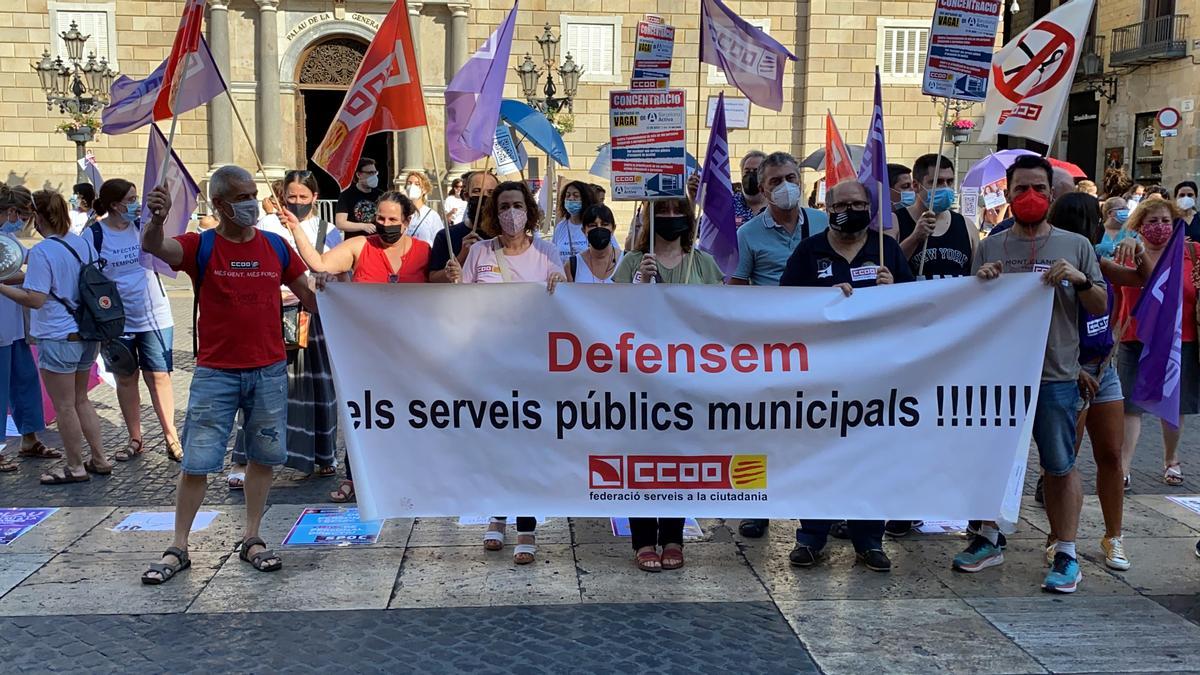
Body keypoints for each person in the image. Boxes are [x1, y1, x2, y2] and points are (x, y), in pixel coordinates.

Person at [139, 166, 315, 585]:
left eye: (253, 194)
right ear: (219, 205)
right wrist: (157, 220)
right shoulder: (201, 246)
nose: (251, 202)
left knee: (263, 457)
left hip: (269, 369)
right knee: (198, 463)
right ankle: (179, 545)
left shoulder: (276, 245)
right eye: (241, 196)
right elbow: (155, 247)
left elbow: (310, 293)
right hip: (216, 372)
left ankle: (252, 537)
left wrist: (351, 303)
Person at [959, 155, 1107, 593]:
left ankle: (1066, 552)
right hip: (1000, 378)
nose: (1030, 197)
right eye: (1021, 189)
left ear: (1052, 194)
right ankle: (988, 536)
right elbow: (968, 311)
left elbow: (1099, 305)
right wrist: (982, 285)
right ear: (1006, 195)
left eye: (1039, 189)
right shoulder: (990, 246)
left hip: (1054, 377)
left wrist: (1081, 281)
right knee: (992, 461)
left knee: (1059, 467)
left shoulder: (1075, 244)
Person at [778, 179, 913, 572]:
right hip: (821, 376)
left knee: (869, 457)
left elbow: (915, 308)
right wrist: (821, 300)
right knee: (818, 456)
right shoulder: (809, 251)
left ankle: (869, 540)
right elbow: (783, 305)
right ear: (829, 205)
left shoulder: (885, 251)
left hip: (874, 375)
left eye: (858, 203)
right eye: (842, 203)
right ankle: (811, 537)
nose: (850, 209)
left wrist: (894, 290)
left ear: (869, 208)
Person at [612, 197, 722, 571]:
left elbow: (720, 316)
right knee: (642, 459)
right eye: (664, 212)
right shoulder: (630, 263)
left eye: (679, 212)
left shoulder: (703, 264)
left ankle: (673, 536)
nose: (672, 218)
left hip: (688, 379)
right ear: (651, 218)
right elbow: (606, 317)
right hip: (639, 380)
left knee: (677, 459)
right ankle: (643, 539)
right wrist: (638, 286)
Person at [461, 181, 564, 564]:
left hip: (533, 366)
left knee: (528, 447)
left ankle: (526, 525)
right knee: (495, 443)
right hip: (490, 363)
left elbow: (563, 302)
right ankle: (496, 513)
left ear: (530, 210)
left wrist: (561, 283)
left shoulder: (547, 253)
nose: (511, 213)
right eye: (503, 206)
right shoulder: (479, 253)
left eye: (517, 205)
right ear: (493, 212)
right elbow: (461, 304)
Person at [1048, 192, 1141, 571]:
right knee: (1062, 461)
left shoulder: (1100, 262)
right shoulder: (1051, 268)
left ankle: (1113, 536)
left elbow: (1146, 276)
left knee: (1110, 456)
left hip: (1103, 371)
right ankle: (1058, 537)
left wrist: (1137, 243)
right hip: (1066, 371)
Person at [234, 169, 345, 481]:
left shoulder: (328, 230)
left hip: (312, 314)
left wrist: (327, 277)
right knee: (261, 387)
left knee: (318, 386)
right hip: (269, 315)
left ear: (315, 198)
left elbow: (337, 270)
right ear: (282, 197)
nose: (296, 202)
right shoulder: (265, 226)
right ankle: (244, 459)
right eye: (291, 197)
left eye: (303, 197)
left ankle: (324, 454)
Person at [0, 189, 110, 485]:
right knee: (81, 400)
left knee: (64, 406)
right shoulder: (80, 243)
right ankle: (99, 458)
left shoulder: (43, 251)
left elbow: (34, 298)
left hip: (57, 335)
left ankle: (75, 466)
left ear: (37, 217)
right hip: (87, 332)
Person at [90, 178, 180, 464]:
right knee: (126, 379)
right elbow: (87, 278)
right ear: (115, 205)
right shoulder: (93, 235)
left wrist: (160, 213)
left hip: (154, 314)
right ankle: (135, 438)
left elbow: (166, 241)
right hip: (117, 320)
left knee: (160, 377)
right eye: (130, 199)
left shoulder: (144, 227)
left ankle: (171, 437)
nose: (136, 203)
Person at [1113, 199, 1198, 489]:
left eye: (1165, 220)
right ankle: (1123, 467)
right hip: (1135, 337)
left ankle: (1171, 459)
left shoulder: (1192, 253)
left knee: (1174, 405)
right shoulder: (1127, 253)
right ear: (1139, 226)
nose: (1159, 227)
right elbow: (1117, 297)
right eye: (1152, 222)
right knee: (1130, 406)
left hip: (1180, 338)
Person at [0, 188, 54, 472]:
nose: (17, 219)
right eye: (15, 213)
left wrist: (49, 252)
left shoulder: (7, 238)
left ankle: (30, 438)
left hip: (15, 323)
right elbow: (10, 272)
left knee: (24, 381)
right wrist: (39, 268)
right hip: (1, 325)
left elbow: (26, 258)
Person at [729, 152, 830, 289]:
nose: (785, 186)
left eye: (790, 178)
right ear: (762, 190)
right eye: (775, 181)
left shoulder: (824, 222)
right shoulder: (746, 234)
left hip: (817, 307)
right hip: (769, 308)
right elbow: (736, 288)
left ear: (799, 183)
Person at [897, 154, 977, 281]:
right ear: (916, 185)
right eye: (937, 182)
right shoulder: (896, 222)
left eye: (949, 182)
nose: (945, 187)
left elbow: (976, 275)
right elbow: (887, 267)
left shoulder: (967, 226)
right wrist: (914, 238)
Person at [428, 170, 499, 283]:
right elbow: (433, 279)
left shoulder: (504, 236)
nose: (483, 197)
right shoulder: (446, 236)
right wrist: (462, 256)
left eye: (491, 192)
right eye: (477, 191)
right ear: (466, 195)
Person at [565, 204, 622, 284]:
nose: (599, 228)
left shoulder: (627, 262)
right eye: (592, 225)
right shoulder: (572, 266)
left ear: (613, 229)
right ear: (583, 231)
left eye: (604, 224)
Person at [551, 180, 598, 265]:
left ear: (585, 199)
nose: (571, 198)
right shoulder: (560, 227)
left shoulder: (597, 225)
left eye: (576, 196)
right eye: (568, 195)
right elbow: (552, 256)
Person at [335, 158, 384, 237]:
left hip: (376, 242)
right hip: (354, 243)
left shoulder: (381, 195)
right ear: (359, 175)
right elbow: (340, 223)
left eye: (375, 172)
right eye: (370, 173)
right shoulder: (346, 195)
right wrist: (363, 226)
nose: (374, 176)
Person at [401, 171, 446, 245]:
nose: (412, 186)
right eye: (409, 183)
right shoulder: (400, 213)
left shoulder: (432, 216)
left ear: (424, 190)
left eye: (417, 184)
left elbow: (440, 241)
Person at [734, 150, 768, 228]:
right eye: (747, 171)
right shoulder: (728, 204)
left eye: (756, 171)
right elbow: (703, 227)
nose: (751, 175)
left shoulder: (776, 206)